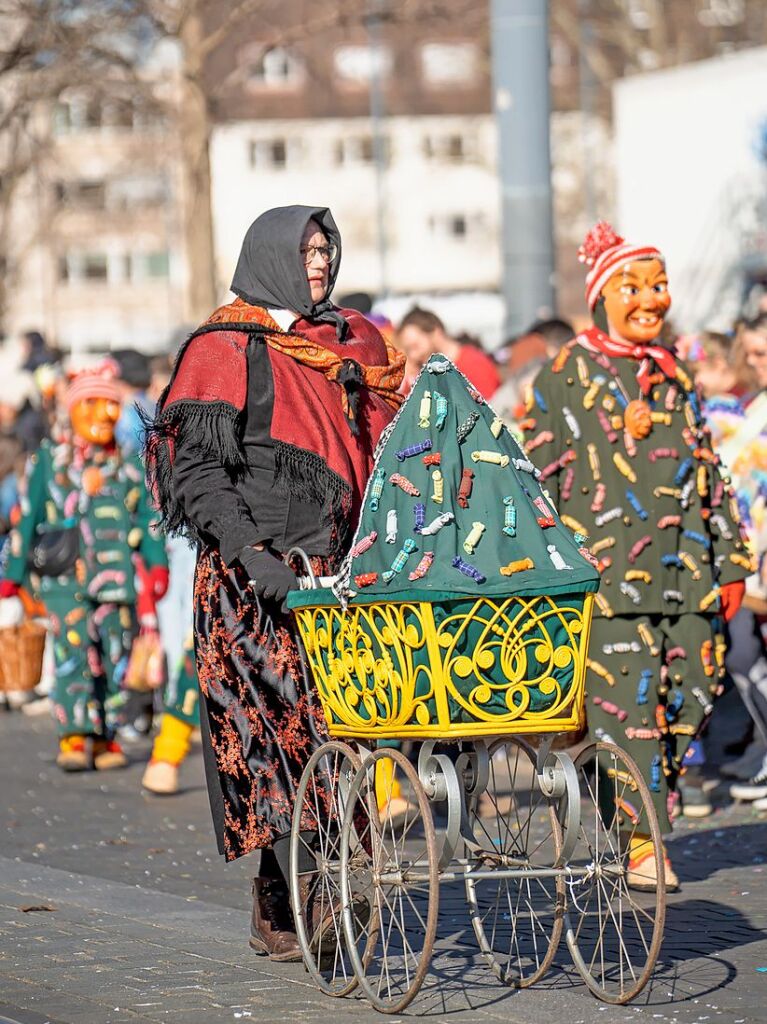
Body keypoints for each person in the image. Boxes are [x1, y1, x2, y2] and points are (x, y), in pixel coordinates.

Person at [142, 205, 404, 960]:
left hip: (342, 574)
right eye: (305, 250)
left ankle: (308, 890)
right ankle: (290, 896)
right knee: (275, 745)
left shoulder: (350, 342)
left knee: (341, 734)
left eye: (325, 249)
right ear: (268, 257)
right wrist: (254, 555)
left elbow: (387, 448)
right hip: (251, 582)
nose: (318, 262)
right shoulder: (225, 345)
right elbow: (194, 472)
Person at [522, 222, 749, 890]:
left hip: (688, 578)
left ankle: (619, 795)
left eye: (658, 285)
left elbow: (708, 469)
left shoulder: (675, 373)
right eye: (633, 286)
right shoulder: (566, 374)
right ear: (600, 296)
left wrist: (731, 560)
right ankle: (642, 839)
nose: (651, 298)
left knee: (690, 701)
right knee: (628, 713)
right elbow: (534, 476)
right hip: (607, 583)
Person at [0, 362, 168, 768]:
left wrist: (157, 562)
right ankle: (74, 734)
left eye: (110, 403)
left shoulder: (128, 461)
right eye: (93, 402)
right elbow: (28, 515)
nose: (104, 413)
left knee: (115, 656)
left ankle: (107, 736)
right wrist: (12, 576)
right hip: (65, 580)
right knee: (72, 653)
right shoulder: (51, 459)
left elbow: (149, 516)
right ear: (74, 407)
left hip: (116, 580)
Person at [397, 306, 500, 399]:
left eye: (415, 346)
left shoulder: (473, 363)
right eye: (408, 350)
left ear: (436, 333)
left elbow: (487, 412)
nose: (413, 356)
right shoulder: (428, 373)